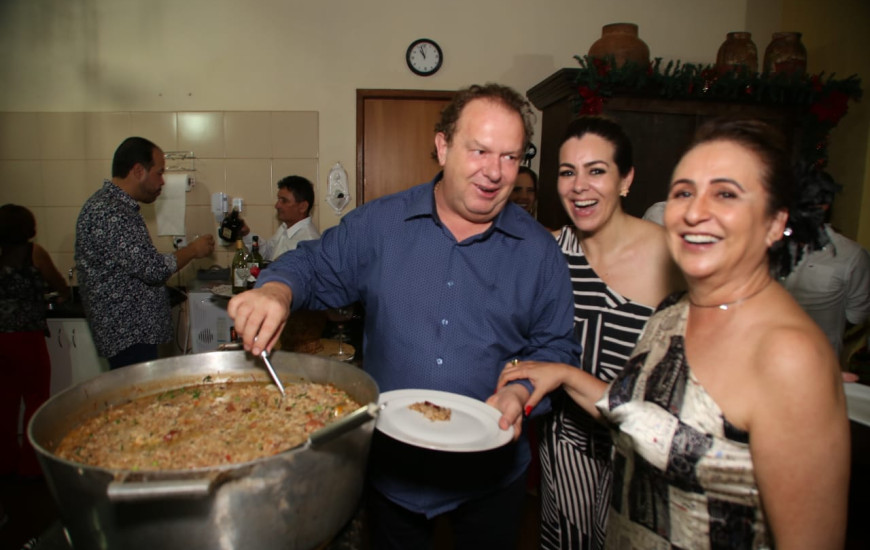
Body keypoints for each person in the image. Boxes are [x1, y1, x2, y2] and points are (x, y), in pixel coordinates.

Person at [227, 83, 581, 549]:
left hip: (491, 478)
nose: (495, 173)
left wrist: (520, 390)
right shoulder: (380, 225)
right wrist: (275, 290)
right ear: (443, 145)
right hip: (394, 475)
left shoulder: (540, 253)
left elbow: (556, 347)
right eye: (479, 150)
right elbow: (313, 263)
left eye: (510, 157)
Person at [498, 118, 850, 548]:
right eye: (684, 192)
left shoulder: (788, 354)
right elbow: (635, 414)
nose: (696, 210)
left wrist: (807, 373)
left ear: (777, 222)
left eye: (725, 193)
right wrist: (564, 373)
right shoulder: (672, 315)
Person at [538, 116, 681, 549]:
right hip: (569, 444)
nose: (579, 185)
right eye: (567, 172)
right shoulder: (547, 252)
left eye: (596, 170)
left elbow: (736, 314)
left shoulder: (670, 255)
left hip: (645, 456)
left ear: (626, 179)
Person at [75, 137, 215, 370]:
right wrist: (193, 250)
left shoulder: (115, 207)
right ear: (138, 170)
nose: (162, 181)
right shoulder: (111, 211)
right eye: (159, 173)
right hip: (128, 334)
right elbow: (152, 269)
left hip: (131, 332)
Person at [0, 204, 69, 478]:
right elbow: (58, 284)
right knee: (36, 401)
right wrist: (61, 293)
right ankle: (32, 467)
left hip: (1, 339)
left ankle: (5, 464)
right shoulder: (33, 254)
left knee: (5, 404)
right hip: (28, 339)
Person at [780, 164, 870, 359]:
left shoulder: (851, 256)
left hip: (819, 363)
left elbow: (857, 315)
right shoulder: (767, 245)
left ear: (824, 204)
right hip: (761, 360)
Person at [260, 175, 320, 261]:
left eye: (284, 201)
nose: (277, 205)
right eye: (278, 199)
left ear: (303, 207)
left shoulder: (309, 243)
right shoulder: (284, 227)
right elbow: (267, 253)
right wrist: (246, 234)